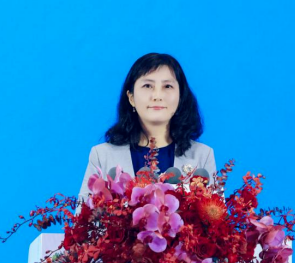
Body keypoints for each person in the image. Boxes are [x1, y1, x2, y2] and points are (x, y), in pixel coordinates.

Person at [78, 53, 216, 203]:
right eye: (148, 86)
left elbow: (214, 214)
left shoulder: (202, 156)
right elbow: (84, 215)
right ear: (131, 98)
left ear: (180, 97)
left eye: (167, 86)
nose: (157, 96)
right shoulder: (102, 156)